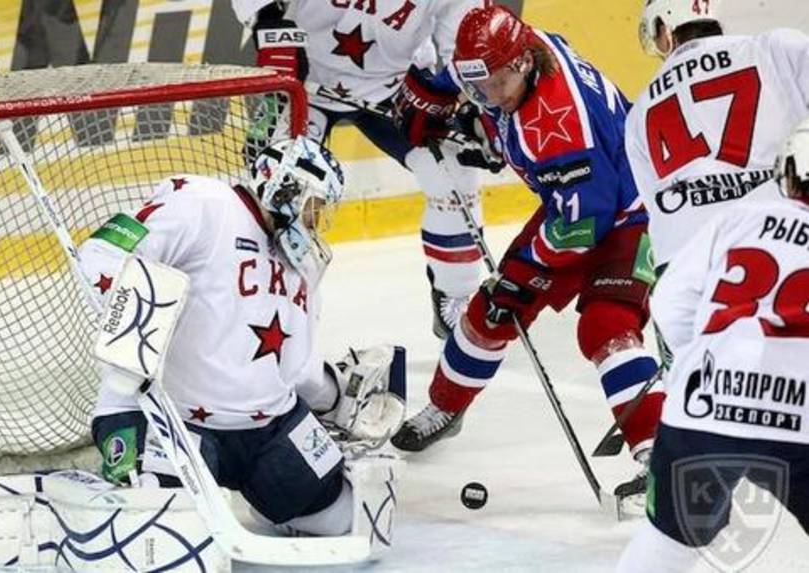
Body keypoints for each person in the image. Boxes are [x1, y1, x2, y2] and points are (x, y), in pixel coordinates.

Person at [391, 4, 665, 499]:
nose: (490, 96)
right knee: (492, 310)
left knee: (606, 326)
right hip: (575, 202)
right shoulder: (518, 48)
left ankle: (660, 455)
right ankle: (445, 406)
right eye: (480, 85)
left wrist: (526, 266)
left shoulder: (561, 127)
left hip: (631, 213)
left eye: (498, 84)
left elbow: (582, 227)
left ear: (521, 64)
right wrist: (431, 98)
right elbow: (467, 73)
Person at [79, 137, 405, 546]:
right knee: (165, 539)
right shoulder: (204, 203)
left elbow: (298, 369)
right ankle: (89, 500)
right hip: (167, 417)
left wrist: (340, 398)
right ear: (285, 188)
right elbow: (102, 252)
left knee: (348, 521)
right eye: (314, 207)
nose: (315, 223)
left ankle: (270, 504)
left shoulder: (303, 264)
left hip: (265, 431)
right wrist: (139, 323)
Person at [616, 118, 809, 573]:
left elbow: (669, 303)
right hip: (800, 416)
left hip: (704, 406)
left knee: (669, 542)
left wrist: (709, 366)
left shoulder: (738, 219)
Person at [231, 0, 490, 339]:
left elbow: (466, 39)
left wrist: (476, 107)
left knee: (455, 173)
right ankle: (262, 309)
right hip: (305, 75)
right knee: (275, 189)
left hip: (398, 83)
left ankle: (455, 296)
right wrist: (266, 18)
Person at [626, 0, 809, 274]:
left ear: (665, 28)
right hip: (779, 233)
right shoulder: (774, 49)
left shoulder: (639, 111)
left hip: (684, 254)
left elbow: (656, 207)